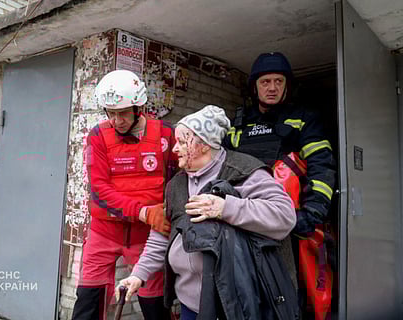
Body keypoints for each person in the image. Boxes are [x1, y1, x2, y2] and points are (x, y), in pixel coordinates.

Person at [116, 105, 298, 320]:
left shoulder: (244, 171)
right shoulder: (176, 185)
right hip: (190, 304)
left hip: (239, 305)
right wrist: (138, 274)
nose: (175, 149)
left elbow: (284, 215)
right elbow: (162, 235)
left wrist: (225, 208)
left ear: (204, 145)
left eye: (183, 142)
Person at [222, 52, 337, 318]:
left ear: (287, 86)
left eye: (278, 81)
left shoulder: (304, 118)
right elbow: (223, 168)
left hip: (293, 225)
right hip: (247, 221)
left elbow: (322, 167)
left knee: (292, 293)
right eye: (265, 82)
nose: (272, 88)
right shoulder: (238, 124)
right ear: (255, 86)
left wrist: (312, 214)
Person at [71, 70, 177, 320]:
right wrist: (143, 211)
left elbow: (178, 182)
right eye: (110, 112)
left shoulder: (165, 135)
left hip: (148, 237)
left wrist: (168, 212)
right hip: (103, 232)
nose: (116, 120)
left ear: (139, 107)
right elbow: (99, 190)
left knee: (154, 305)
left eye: (123, 113)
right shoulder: (98, 136)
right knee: (88, 302)